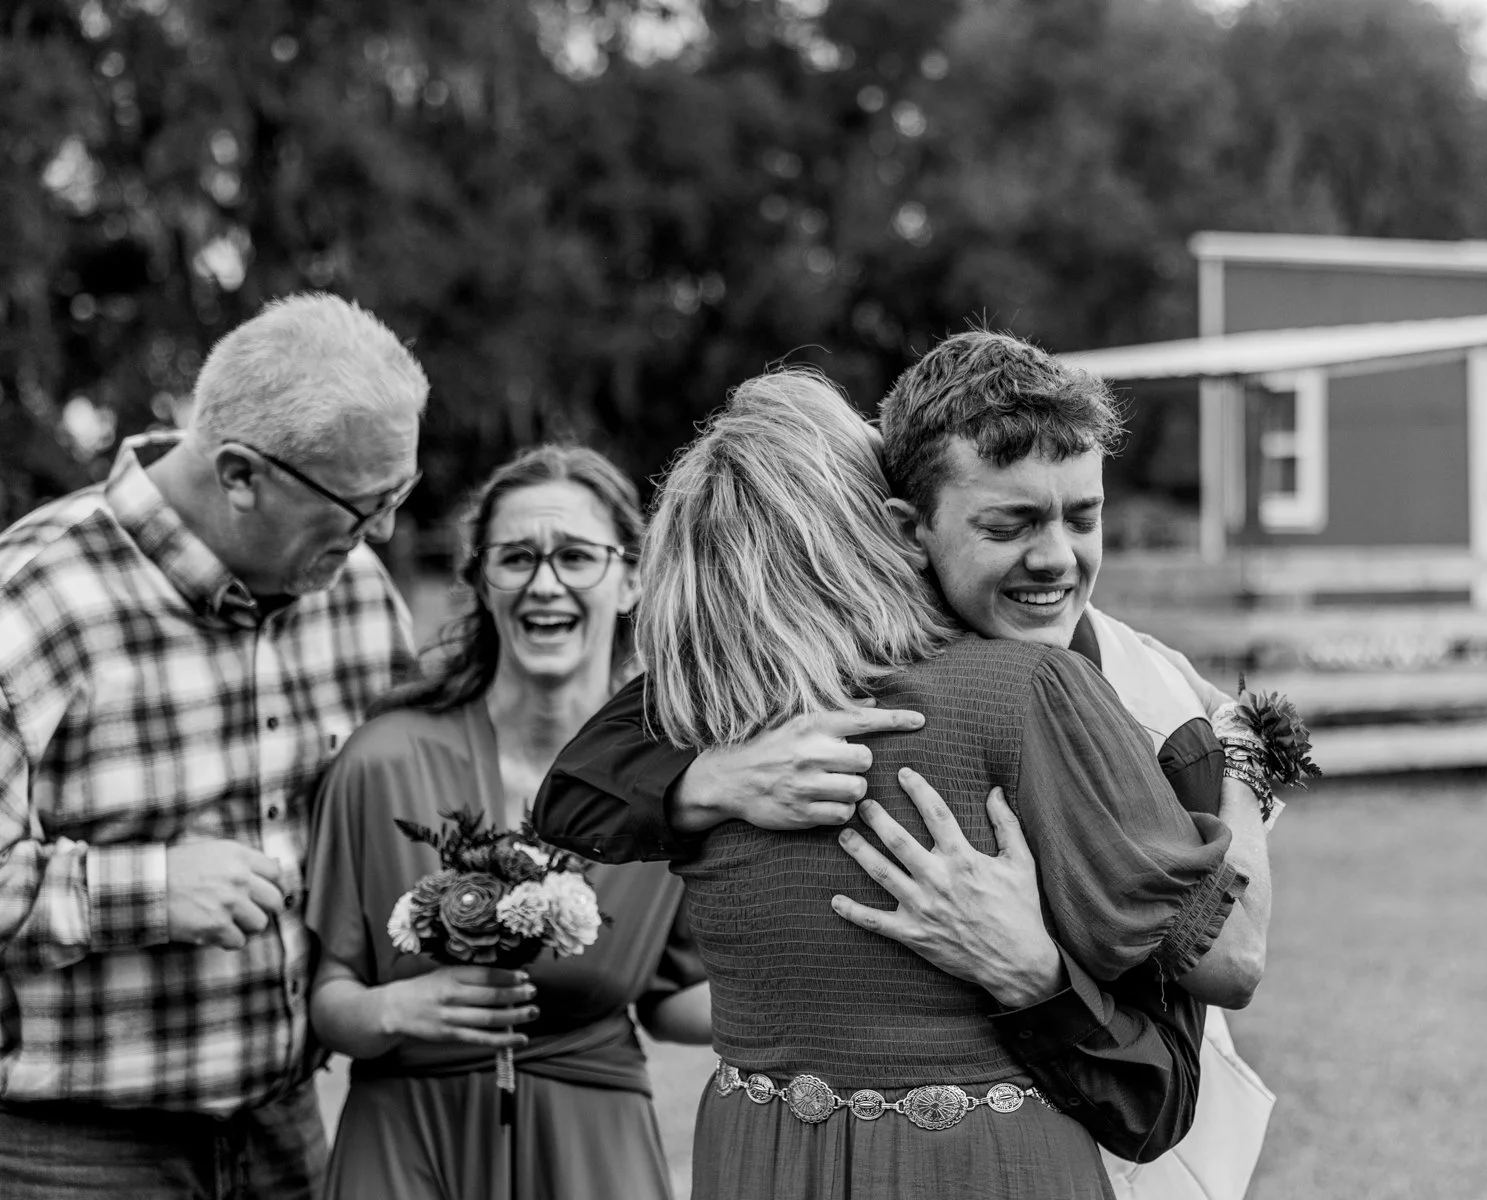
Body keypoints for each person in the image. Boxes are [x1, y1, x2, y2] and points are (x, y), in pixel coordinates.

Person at [537, 331, 1275, 1166]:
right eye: (1009, 523)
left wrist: (1037, 973)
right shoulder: (985, 691)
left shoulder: (707, 703)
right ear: (895, 529)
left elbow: (567, 794)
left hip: (774, 1155)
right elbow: (1214, 989)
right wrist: (713, 781)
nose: (1058, 558)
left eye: (1083, 518)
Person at [0, 293, 425, 1198]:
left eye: (398, 495)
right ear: (239, 474)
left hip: (287, 1132)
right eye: (361, 503)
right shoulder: (31, 604)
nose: (381, 533)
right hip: (69, 1157)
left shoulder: (355, 591)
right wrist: (147, 890)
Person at [306, 445, 710, 1200]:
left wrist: (830, 1001)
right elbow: (329, 1001)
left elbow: (671, 998)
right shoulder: (379, 763)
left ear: (630, 580)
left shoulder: (681, 776)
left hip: (594, 1151)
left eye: (576, 556)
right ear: (481, 583)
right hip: (404, 1142)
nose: (544, 583)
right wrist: (395, 1008)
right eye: (516, 558)